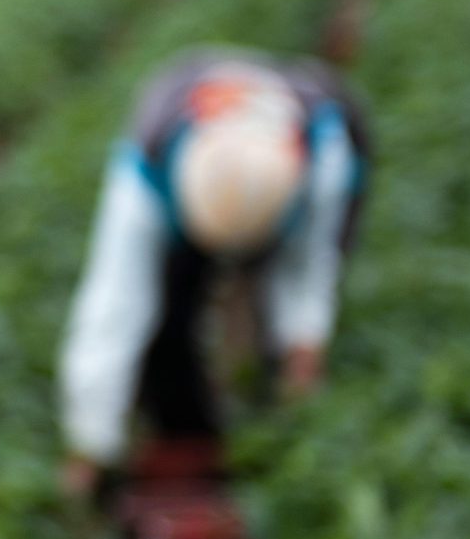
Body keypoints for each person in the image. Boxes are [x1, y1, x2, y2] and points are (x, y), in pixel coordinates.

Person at [56, 49, 370, 502]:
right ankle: (187, 428)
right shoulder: (148, 166)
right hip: (180, 194)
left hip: (293, 189)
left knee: (271, 339)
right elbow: (114, 304)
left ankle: (257, 419)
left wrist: (304, 352)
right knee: (169, 323)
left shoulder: (325, 157)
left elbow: (310, 265)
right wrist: (91, 439)